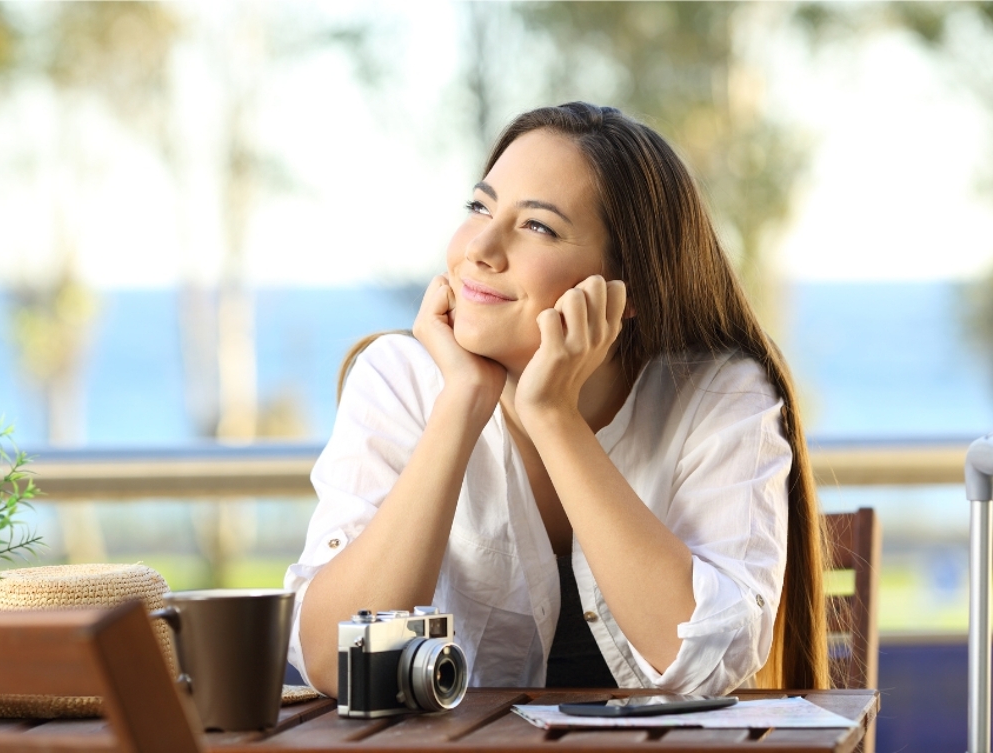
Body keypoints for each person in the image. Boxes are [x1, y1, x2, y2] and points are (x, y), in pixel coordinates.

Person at [285, 102, 828, 696]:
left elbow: (706, 664)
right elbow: (333, 661)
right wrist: (461, 403)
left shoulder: (719, 396)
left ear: (629, 289)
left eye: (537, 227)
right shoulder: (401, 379)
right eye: (479, 207)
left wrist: (554, 417)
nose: (480, 249)